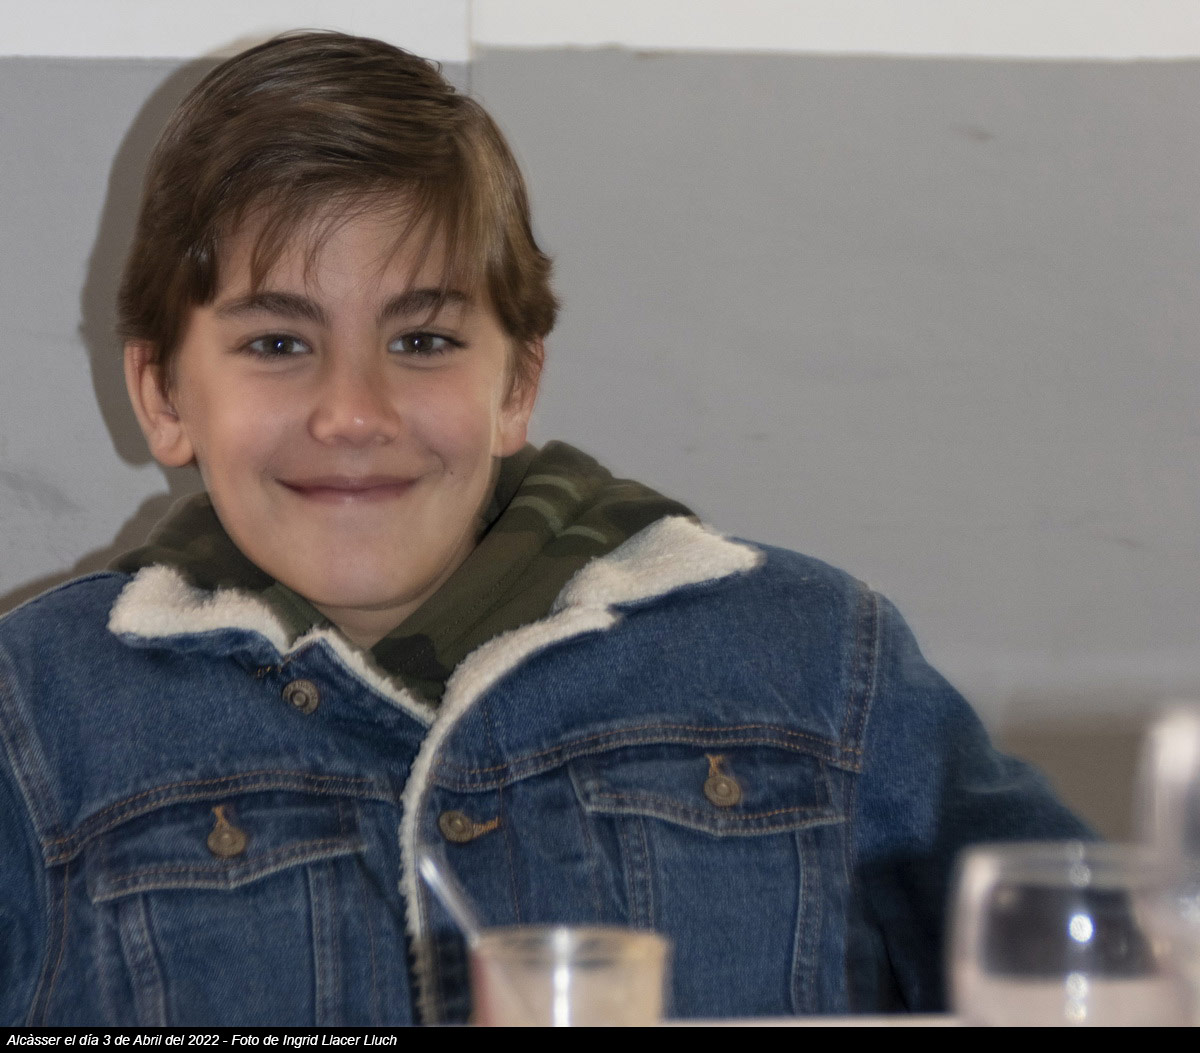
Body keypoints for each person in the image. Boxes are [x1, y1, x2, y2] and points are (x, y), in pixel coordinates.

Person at [0, 31, 1088, 1026]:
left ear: (517, 384)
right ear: (163, 394)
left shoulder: (818, 663)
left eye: (423, 341)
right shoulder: (35, 717)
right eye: (277, 345)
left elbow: (1105, 968)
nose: (354, 414)